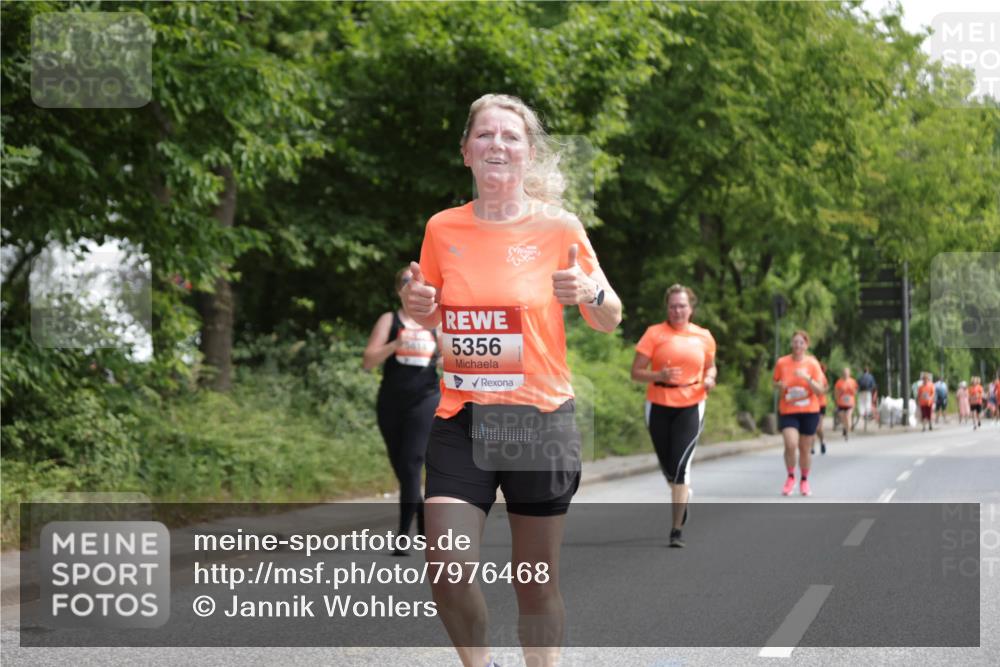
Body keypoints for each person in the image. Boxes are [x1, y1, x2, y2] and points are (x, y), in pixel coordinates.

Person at [402, 93, 622, 667]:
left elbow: (610, 315)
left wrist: (591, 292)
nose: (497, 144)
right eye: (485, 135)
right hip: (462, 417)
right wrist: (415, 300)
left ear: (527, 153)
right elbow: (431, 310)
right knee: (447, 568)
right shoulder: (441, 227)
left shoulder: (558, 227)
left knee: (534, 581)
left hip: (538, 419)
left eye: (510, 136)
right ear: (466, 152)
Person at [631, 284, 717, 548]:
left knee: (680, 467)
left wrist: (710, 379)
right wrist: (659, 375)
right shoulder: (654, 334)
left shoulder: (704, 336)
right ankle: (683, 496)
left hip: (692, 402)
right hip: (658, 403)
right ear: (667, 308)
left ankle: (676, 530)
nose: (677, 310)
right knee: (669, 468)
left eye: (682, 306)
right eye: (672, 306)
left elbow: (711, 368)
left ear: (691, 308)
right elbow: (635, 372)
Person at [363, 268, 441, 555]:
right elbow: (368, 361)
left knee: (411, 462)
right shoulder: (389, 320)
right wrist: (397, 343)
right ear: (400, 290)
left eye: (419, 281)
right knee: (402, 469)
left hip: (426, 400)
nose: (414, 285)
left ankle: (402, 537)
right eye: (408, 282)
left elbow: (454, 356)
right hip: (392, 403)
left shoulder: (437, 321)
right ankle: (421, 517)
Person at [772, 330, 827, 496]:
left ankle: (804, 480)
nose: (797, 345)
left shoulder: (812, 363)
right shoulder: (782, 362)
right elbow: (774, 383)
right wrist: (779, 386)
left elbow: (820, 390)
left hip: (809, 411)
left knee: (804, 448)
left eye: (801, 342)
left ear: (806, 345)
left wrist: (806, 378)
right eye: (795, 342)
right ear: (791, 344)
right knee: (790, 444)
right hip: (788, 410)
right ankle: (790, 477)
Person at [834, 367, 858, 441]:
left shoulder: (853, 381)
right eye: (844, 373)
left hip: (850, 403)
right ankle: (845, 428)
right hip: (841, 403)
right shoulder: (839, 382)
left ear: (849, 373)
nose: (845, 374)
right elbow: (836, 393)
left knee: (848, 416)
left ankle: (847, 432)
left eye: (847, 373)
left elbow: (856, 392)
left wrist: (852, 390)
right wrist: (840, 393)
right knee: (843, 418)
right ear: (842, 374)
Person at [813, 362, 829, 455]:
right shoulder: (807, 374)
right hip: (810, 404)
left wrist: (820, 390)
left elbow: (826, 388)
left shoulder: (821, 375)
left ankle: (822, 442)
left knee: (818, 427)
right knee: (812, 427)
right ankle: (812, 447)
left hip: (820, 404)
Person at [857, 365, 877, 429]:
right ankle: (867, 415)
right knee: (867, 403)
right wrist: (872, 391)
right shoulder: (870, 376)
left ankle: (861, 416)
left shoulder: (861, 376)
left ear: (864, 371)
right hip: (868, 391)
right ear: (868, 371)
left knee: (861, 403)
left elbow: (857, 384)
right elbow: (873, 385)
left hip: (861, 392)